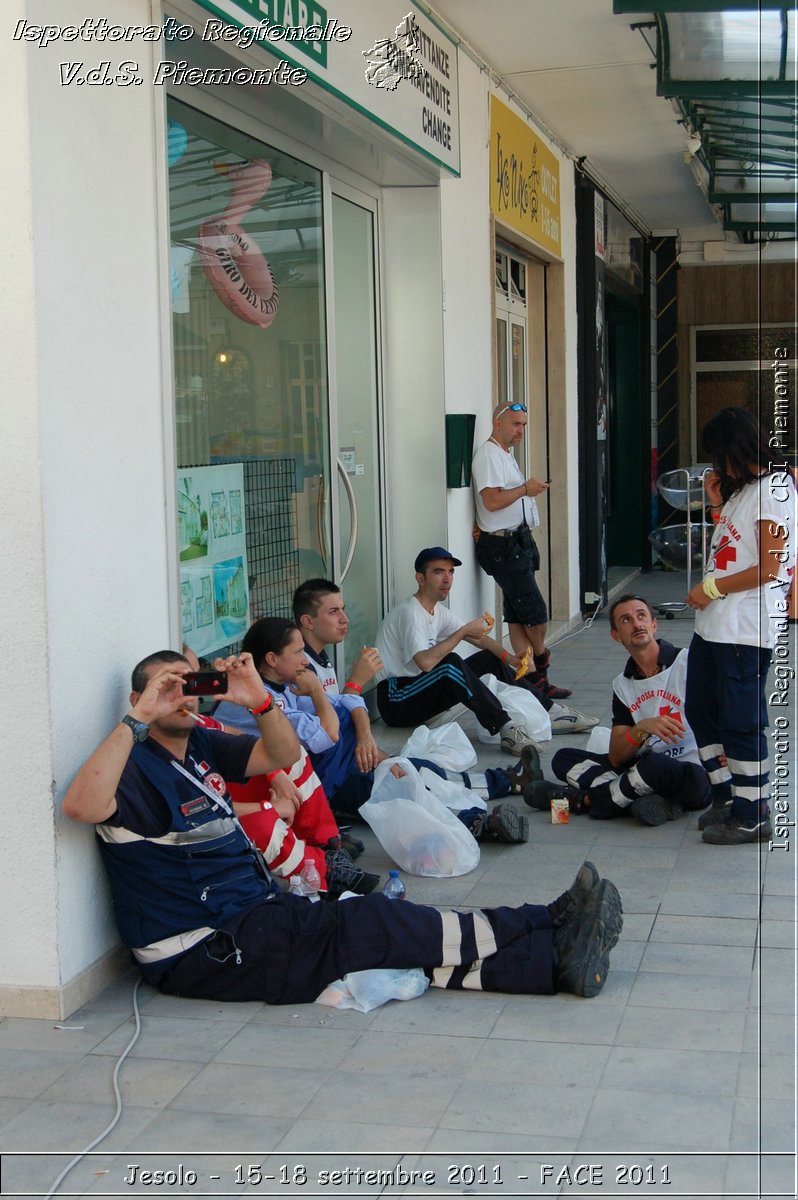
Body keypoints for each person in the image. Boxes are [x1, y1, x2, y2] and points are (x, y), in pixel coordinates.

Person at [62, 648, 623, 1002]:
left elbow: (279, 753)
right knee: (368, 925)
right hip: (201, 948)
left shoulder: (200, 741)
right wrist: (138, 719)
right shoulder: (132, 764)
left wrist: (259, 701)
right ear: (138, 699)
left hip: (250, 914)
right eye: (165, 686)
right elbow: (81, 807)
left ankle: (551, 964)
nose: (179, 695)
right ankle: (541, 922)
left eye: (188, 684)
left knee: (369, 945)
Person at [216, 617, 530, 844]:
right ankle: (479, 823)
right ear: (272, 659)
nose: (345, 619)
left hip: (339, 763)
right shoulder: (262, 697)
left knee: (409, 769)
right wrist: (323, 693)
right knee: (400, 792)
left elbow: (347, 703)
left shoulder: (291, 678)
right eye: (297, 652)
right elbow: (328, 735)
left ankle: (506, 782)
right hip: (315, 784)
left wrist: (364, 736)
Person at [684, 407, 796, 845]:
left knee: (740, 722)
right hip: (715, 626)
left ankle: (752, 812)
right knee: (701, 711)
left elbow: (771, 565)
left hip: (744, 627)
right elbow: (734, 544)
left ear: (737, 447)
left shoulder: (774, 490)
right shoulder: (744, 490)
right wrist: (716, 504)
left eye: (718, 454)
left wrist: (710, 589)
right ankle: (727, 796)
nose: (716, 464)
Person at [179, 646, 368, 895]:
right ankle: (322, 874)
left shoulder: (197, 721)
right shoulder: (151, 749)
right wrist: (269, 807)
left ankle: (327, 846)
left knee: (289, 760)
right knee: (260, 820)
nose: (194, 690)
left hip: (226, 796)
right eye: (187, 681)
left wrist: (275, 774)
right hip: (205, 826)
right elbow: (195, 809)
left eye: (197, 679)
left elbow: (248, 742)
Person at [375, 548, 597, 753]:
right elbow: (425, 663)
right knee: (450, 663)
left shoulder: (437, 611)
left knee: (487, 658)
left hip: (418, 691)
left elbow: (479, 639)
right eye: (438, 572)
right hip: (396, 701)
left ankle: (551, 711)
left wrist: (509, 658)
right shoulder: (410, 613)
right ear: (420, 578)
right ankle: (506, 728)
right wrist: (462, 632)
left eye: (451, 572)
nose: (447, 579)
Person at [525, 596, 713, 826]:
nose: (637, 624)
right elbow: (616, 757)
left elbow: (725, 710)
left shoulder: (688, 662)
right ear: (616, 636)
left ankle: (583, 800)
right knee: (563, 759)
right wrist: (642, 728)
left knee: (654, 767)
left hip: (694, 774)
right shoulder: (622, 685)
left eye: (642, 616)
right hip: (643, 767)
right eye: (626, 620)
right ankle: (647, 800)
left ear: (654, 624)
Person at [471, 402, 568, 700]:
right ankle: (540, 664)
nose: (520, 431)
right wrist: (526, 489)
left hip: (515, 541)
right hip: (503, 545)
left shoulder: (504, 454)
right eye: (515, 424)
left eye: (523, 425)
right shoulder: (489, 454)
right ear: (497, 423)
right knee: (535, 613)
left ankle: (530, 677)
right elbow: (492, 500)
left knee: (515, 613)